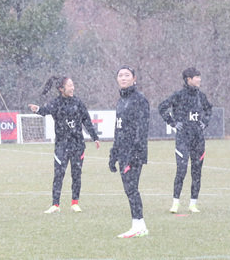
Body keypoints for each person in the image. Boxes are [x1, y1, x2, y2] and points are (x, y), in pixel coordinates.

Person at [28, 76, 100, 214]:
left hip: (78, 145)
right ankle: (55, 205)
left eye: (73, 85)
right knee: (58, 175)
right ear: (62, 89)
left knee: (76, 174)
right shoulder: (56, 103)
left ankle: (75, 203)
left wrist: (94, 137)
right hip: (62, 145)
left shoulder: (78, 103)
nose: (72, 88)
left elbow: (86, 120)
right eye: (69, 85)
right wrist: (37, 109)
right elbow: (44, 111)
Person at [158, 67, 212, 214]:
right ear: (188, 79)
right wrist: (173, 123)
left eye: (199, 77)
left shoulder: (201, 96)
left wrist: (204, 122)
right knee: (181, 170)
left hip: (198, 140)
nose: (199, 79)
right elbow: (162, 107)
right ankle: (175, 203)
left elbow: (209, 110)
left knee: (197, 172)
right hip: (183, 139)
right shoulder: (179, 95)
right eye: (196, 77)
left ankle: (193, 204)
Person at [108, 66, 150, 238]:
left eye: (127, 75)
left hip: (134, 153)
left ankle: (139, 225)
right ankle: (139, 225)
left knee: (132, 189)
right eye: (120, 75)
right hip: (123, 152)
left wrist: (135, 151)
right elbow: (119, 130)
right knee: (129, 189)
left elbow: (142, 127)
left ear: (134, 78)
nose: (123, 78)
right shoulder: (121, 101)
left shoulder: (139, 99)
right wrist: (114, 153)